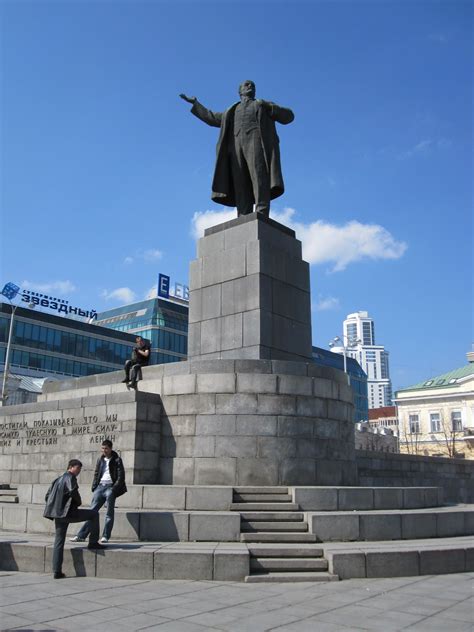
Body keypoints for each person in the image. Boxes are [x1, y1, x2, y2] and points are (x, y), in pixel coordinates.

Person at [180, 80, 294, 217]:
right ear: (240, 91)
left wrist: (270, 106)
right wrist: (196, 104)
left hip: (255, 141)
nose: (250, 86)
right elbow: (212, 118)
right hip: (235, 146)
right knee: (240, 181)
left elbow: (289, 116)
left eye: (253, 85)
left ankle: (261, 212)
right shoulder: (231, 111)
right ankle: (243, 214)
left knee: (259, 176)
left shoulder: (262, 105)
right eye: (247, 85)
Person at [43, 459, 105, 579]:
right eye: (78, 468)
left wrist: (57, 508)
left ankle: (57, 571)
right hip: (69, 513)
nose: (79, 471)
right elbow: (73, 491)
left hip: (58, 514)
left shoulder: (57, 480)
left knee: (59, 542)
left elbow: (47, 496)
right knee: (94, 514)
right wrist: (79, 502)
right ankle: (93, 542)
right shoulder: (70, 478)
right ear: (71, 467)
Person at [70, 440, 127, 544]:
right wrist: (94, 487)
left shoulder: (117, 460)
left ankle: (105, 536)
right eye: (102, 448)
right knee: (91, 512)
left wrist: (113, 489)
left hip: (110, 487)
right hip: (100, 487)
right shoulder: (100, 460)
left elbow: (121, 476)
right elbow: (96, 473)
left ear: (110, 448)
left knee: (109, 513)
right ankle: (81, 535)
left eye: (106, 448)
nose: (104, 450)